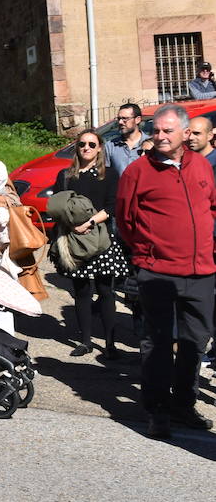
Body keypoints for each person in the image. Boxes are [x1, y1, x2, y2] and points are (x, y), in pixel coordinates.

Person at [115, 104, 216, 439]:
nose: (159, 136)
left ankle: (183, 405)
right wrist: (147, 253)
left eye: (167, 130)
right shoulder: (138, 172)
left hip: (201, 270)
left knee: (195, 343)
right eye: (155, 130)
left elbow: (211, 207)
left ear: (186, 134)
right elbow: (126, 221)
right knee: (157, 343)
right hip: (157, 272)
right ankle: (157, 409)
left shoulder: (202, 165)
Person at [51, 129, 128, 359]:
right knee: (81, 291)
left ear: (100, 148)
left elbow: (113, 206)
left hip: (100, 237)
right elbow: (56, 204)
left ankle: (111, 344)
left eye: (92, 144)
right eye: (82, 144)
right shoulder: (65, 175)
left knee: (106, 291)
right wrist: (71, 224)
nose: (86, 148)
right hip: (73, 238)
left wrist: (90, 222)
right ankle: (85, 341)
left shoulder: (110, 174)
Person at [106, 103, 145, 175]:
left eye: (125, 118)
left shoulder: (150, 144)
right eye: (119, 119)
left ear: (137, 120)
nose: (120, 122)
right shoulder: (110, 146)